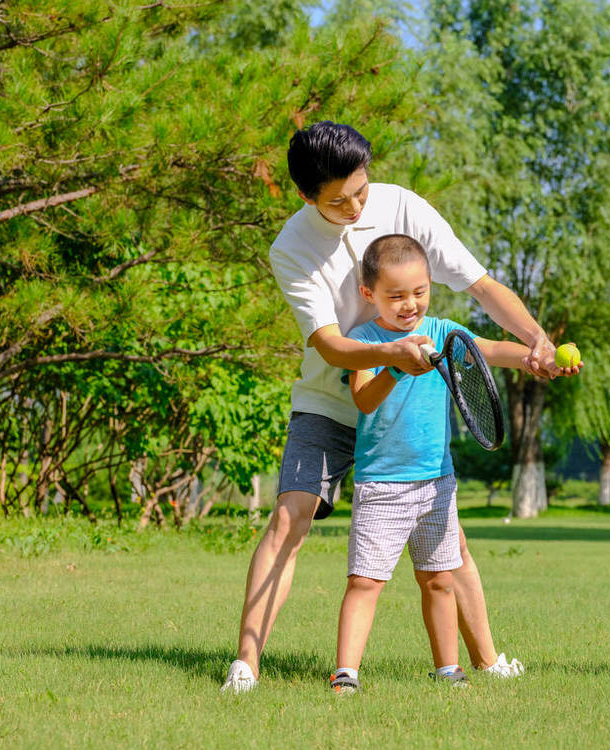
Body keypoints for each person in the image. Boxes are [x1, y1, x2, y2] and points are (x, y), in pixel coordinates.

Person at [222, 122, 578, 693]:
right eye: (337, 201)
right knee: (291, 514)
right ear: (305, 195)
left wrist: (536, 343)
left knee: (449, 543)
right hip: (331, 403)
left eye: (360, 190)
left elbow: (480, 287)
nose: (356, 206)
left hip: (403, 410)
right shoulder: (291, 248)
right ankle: (246, 663)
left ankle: (487, 662)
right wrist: (390, 354)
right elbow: (330, 343)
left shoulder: (403, 207)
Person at [330, 234, 547, 693]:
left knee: (439, 580)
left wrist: (532, 358)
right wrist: (394, 365)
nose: (410, 305)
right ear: (369, 295)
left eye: (420, 292)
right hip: (382, 486)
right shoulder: (364, 341)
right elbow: (364, 401)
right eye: (396, 296)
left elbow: (489, 351)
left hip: (436, 485)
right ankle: (345, 673)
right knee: (365, 582)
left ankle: (447, 668)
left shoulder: (446, 333)